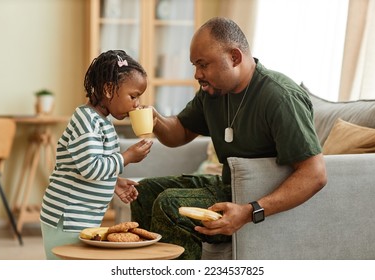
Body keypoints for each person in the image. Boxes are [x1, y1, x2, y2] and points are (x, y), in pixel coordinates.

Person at [130, 17, 327, 259]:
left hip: (255, 198)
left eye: (203, 65)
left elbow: (315, 174)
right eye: (194, 65)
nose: (197, 74)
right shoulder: (213, 92)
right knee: (144, 192)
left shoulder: (280, 97)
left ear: (234, 57)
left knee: (171, 205)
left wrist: (249, 211)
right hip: (228, 186)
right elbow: (179, 132)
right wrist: (154, 118)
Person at [39, 50, 153, 259]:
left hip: (82, 216)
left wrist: (114, 182)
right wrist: (126, 157)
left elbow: (88, 166)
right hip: (67, 216)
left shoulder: (103, 121)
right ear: (109, 89)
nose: (137, 103)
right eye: (133, 96)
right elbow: (91, 167)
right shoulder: (86, 121)